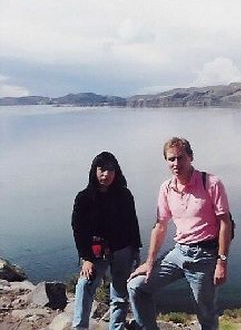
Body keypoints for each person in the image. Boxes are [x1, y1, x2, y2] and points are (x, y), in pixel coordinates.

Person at [127, 137, 232, 330]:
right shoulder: (166, 188)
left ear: (190, 157)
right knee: (136, 286)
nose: (176, 163)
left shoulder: (211, 183)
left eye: (180, 158)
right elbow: (160, 226)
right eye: (171, 159)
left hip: (205, 255)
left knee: (206, 313)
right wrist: (149, 262)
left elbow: (225, 223)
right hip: (178, 253)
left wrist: (222, 262)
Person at [71, 151, 142, 330]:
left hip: (123, 250)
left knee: (119, 293)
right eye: (102, 169)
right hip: (96, 253)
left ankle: (116, 327)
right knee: (85, 285)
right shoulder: (84, 198)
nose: (106, 174)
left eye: (111, 170)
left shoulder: (124, 195)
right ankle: (79, 326)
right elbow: (78, 229)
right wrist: (85, 258)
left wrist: (136, 249)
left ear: (116, 172)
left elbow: (132, 222)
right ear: (94, 171)